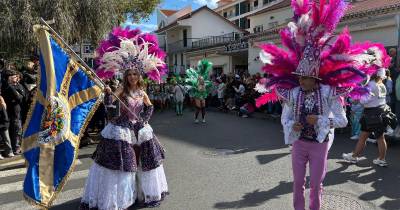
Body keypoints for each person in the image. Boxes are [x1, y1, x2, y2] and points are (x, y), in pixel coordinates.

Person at [254, 1, 390, 209]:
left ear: (315, 79)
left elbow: (343, 121)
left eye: (306, 77)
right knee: (298, 183)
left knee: (316, 185)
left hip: (320, 144)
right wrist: (292, 126)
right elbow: (286, 117)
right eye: (299, 77)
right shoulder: (294, 93)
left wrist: (320, 119)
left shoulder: (328, 93)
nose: (301, 81)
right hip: (299, 143)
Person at [80, 27, 168, 209]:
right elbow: (110, 104)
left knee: (143, 161)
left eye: (135, 74)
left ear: (140, 75)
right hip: (123, 129)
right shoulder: (121, 89)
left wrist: (144, 119)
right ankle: (123, 196)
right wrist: (107, 94)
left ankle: (141, 192)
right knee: (125, 164)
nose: (133, 77)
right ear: (126, 76)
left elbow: (150, 107)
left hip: (140, 130)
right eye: (129, 74)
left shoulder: (142, 92)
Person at [343, 69, 396, 167]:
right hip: (381, 113)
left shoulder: (370, 85)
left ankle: (355, 156)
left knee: (364, 137)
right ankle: (381, 159)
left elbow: (364, 101)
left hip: (371, 115)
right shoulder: (381, 84)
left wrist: (357, 98)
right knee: (379, 137)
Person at [3, 70, 27, 155]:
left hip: (19, 111)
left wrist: (18, 95)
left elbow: (23, 96)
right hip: (12, 112)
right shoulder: (8, 87)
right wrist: (18, 95)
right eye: (14, 77)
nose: (16, 78)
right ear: (9, 78)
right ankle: (16, 148)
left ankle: (17, 146)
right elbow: (18, 97)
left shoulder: (19, 85)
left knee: (18, 130)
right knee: (16, 130)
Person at [0, 94, 14, 159]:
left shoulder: (2, 107)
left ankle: (9, 152)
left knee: (7, 139)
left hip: (3, 125)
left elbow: (5, 118)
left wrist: (5, 125)